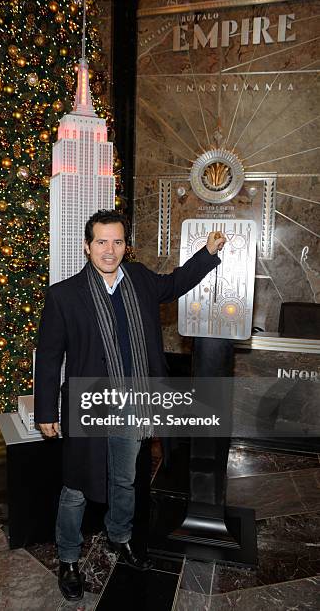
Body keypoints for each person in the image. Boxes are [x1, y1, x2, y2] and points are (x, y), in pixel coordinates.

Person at [34, 210, 226, 601]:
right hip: (88, 405)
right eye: (102, 242)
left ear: (126, 245)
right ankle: (69, 559)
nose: (110, 250)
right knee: (75, 488)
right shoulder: (64, 295)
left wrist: (206, 253)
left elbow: (175, 283)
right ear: (87, 247)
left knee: (125, 479)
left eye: (117, 242)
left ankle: (119, 536)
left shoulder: (139, 279)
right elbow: (50, 356)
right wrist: (46, 412)